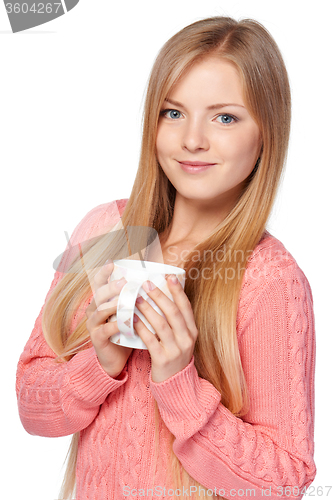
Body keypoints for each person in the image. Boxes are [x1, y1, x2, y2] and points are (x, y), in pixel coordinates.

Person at [16, 16, 316, 500]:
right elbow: (32, 409)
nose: (192, 139)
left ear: (267, 135)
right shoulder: (105, 231)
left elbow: (284, 481)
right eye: (173, 113)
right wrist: (100, 364)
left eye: (225, 117)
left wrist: (179, 382)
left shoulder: (270, 281)